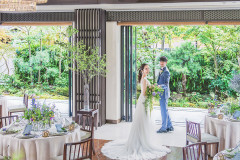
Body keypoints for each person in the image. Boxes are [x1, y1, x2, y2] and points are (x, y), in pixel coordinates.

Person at [101, 64, 171, 160]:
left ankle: (143, 140)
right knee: (141, 122)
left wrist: (153, 88)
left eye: (148, 68)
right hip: (143, 102)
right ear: (142, 70)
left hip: (144, 102)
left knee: (144, 122)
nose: (148, 70)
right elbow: (144, 93)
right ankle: (140, 142)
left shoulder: (145, 79)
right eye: (146, 69)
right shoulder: (144, 79)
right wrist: (153, 89)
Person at [157, 56, 174, 133]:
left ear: (166, 63)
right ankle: (170, 126)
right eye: (161, 61)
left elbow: (166, 84)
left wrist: (159, 86)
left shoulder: (166, 71)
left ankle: (164, 128)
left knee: (163, 111)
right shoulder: (161, 69)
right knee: (165, 110)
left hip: (164, 93)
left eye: (163, 62)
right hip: (161, 92)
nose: (161, 63)